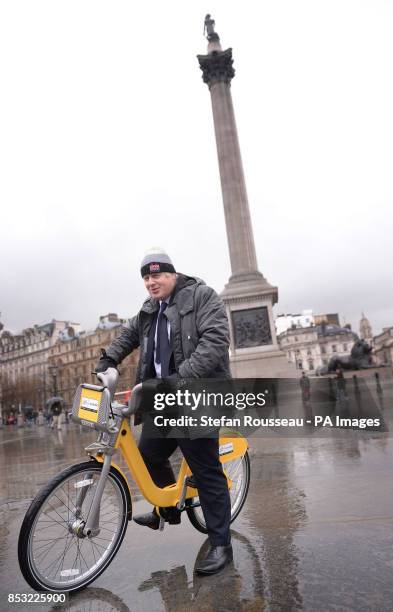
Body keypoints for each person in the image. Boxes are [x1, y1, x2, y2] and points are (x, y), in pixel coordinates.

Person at [96, 249, 233, 575]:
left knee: (207, 471)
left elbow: (215, 341)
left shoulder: (202, 296)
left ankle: (221, 545)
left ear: (172, 274)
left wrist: (182, 378)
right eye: (146, 277)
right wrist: (108, 358)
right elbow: (128, 334)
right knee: (148, 456)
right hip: (163, 397)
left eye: (156, 275)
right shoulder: (148, 309)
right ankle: (167, 508)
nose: (151, 282)